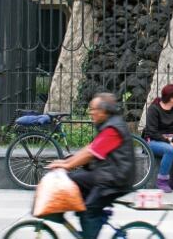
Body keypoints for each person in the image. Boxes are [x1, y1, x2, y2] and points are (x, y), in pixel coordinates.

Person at [48, 93, 135, 239]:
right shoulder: (109, 123)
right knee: (73, 179)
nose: (91, 113)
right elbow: (90, 148)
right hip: (106, 174)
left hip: (115, 180)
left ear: (103, 111)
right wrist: (65, 163)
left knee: (89, 209)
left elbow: (91, 153)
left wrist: (67, 165)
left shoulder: (113, 129)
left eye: (93, 109)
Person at [142, 83, 173, 192]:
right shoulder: (154, 109)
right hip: (153, 141)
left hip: (170, 140)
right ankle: (162, 181)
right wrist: (169, 142)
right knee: (169, 150)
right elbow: (152, 132)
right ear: (171, 98)